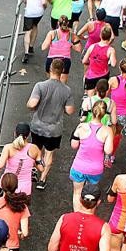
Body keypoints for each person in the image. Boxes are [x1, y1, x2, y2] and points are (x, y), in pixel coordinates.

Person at [27, 60, 75, 189]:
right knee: (49, 153)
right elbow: (70, 111)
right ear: (62, 71)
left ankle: (33, 170)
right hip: (54, 129)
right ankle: (42, 180)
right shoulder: (66, 90)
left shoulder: (40, 86)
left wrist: (31, 106)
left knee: (35, 149)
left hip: (37, 126)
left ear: (50, 69)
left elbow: (32, 103)